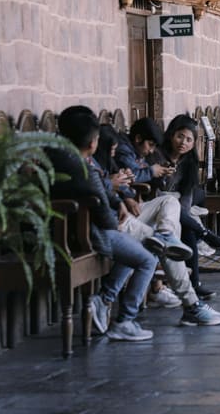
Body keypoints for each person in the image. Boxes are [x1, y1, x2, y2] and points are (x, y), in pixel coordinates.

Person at [93, 121, 220, 326]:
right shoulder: (86, 163)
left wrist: (124, 196)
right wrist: (117, 189)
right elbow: (105, 183)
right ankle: (191, 305)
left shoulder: (97, 160)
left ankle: (166, 235)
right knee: (159, 247)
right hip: (113, 222)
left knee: (169, 203)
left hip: (125, 213)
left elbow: (120, 179)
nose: (114, 154)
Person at [50, 107, 157, 342]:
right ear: (92, 143)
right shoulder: (83, 168)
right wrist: (117, 215)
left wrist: (118, 200)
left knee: (140, 245)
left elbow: (105, 189)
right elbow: (106, 220)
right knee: (148, 257)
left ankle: (105, 299)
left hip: (66, 230)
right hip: (86, 234)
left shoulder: (56, 156)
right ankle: (125, 319)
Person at [158, 114, 220, 301]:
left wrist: (185, 216)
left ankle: (195, 284)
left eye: (189, 139)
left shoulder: (188, 162)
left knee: (187, 229)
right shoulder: (158, 156)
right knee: (171, 204)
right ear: (172, 134)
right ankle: (204, 233)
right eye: (180, 136)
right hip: (156, 205)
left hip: (176, 208)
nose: (183, 142)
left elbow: (187, 197)